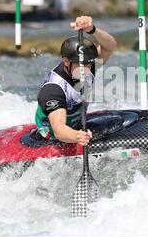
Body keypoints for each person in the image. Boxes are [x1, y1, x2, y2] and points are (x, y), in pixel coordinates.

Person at [34, 16, 118, 146]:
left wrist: (92, 30)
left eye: (88, 64)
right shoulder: (53, 89)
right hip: (51, 138)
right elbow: (58, 129)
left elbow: (110, 46)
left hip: (77, 126)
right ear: (66, 62)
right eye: (80, 65)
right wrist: (77, 136)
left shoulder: (89, 66)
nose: (85, 70)